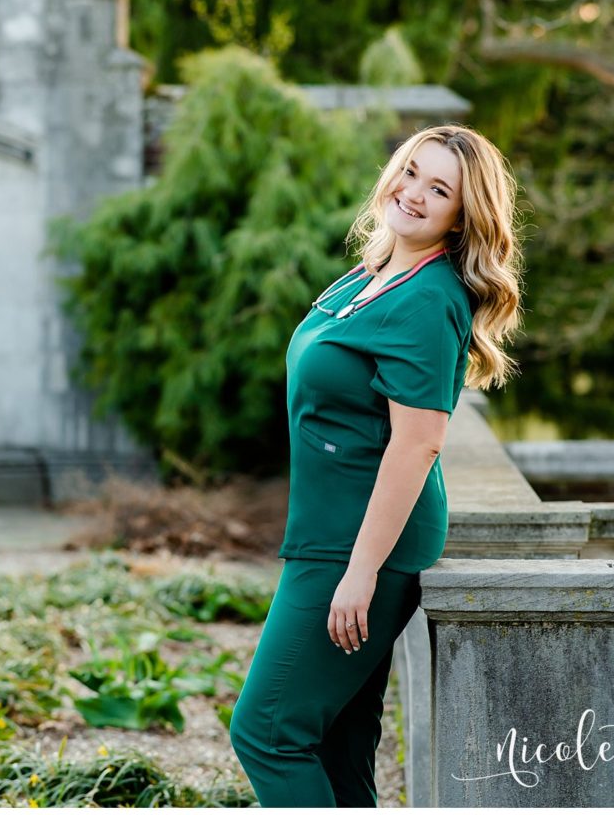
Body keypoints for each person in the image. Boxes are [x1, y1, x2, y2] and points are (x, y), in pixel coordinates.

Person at [229, 125, 521, 808]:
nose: (413, 193)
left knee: (267, 733)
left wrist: (360, 573)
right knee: (336, 744)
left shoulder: (426, 299)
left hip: (360, 546)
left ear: (461, 217)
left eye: (439, 188)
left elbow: (416, 444)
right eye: (410, 172)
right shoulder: (367, 277)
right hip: (329, 532)